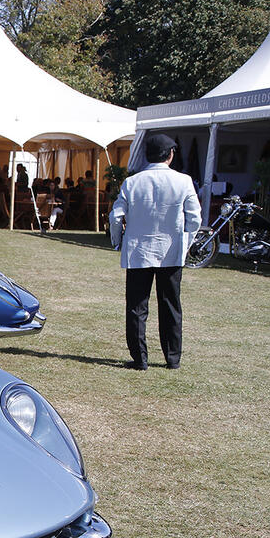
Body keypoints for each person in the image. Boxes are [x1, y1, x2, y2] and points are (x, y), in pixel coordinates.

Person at [109, 133, 201, 370]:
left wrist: (117, 240)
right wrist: (185, 242)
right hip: (171, 252)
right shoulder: (184, 181)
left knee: (137, 307)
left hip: (138, 251)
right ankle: (173, 358)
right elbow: (195, 218)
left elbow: (116, 216)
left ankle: (140, 359)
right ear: (170, 155)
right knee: (170, 305)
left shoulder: (132, 182)